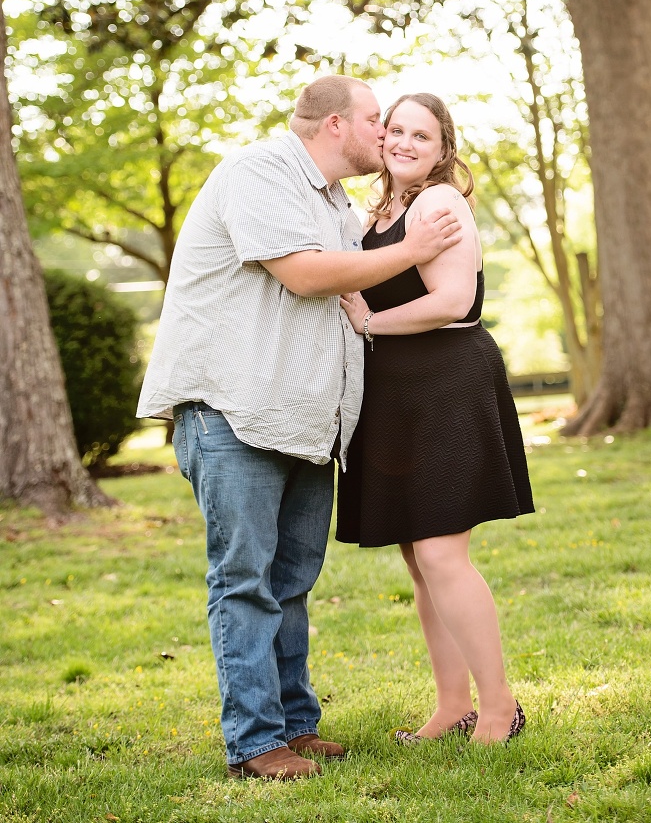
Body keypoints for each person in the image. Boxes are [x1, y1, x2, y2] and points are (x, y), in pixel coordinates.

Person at [136, 76, 462, 781]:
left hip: (307, 421)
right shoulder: (260, 171)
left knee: (291, 580)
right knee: (247, 580)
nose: (387, 133)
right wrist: (413, 247)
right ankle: (256, 744)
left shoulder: (337, 203)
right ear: (338, 125)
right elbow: (306, 277)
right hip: (236, 413)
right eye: (377, 119)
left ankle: (294, 724)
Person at [336, 92, 535, 745]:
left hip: (447, 380)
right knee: (420, 560)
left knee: (442, 552)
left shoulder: (438, 202)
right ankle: (452, 707)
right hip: (397, 393)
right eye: (394, 130)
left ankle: (500, 708)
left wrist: (370, 321)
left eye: (421, 135)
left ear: (443, 149)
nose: (403, 142)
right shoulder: (381, 209)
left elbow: (454, 300)